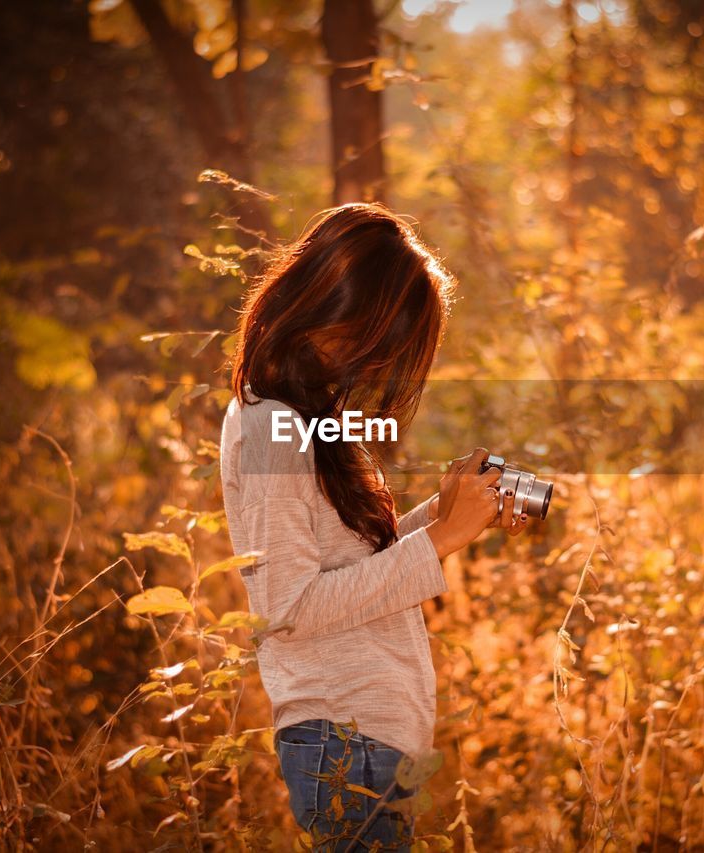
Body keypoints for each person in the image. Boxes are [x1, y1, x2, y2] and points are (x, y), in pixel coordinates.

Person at [219, 202, 529, 850]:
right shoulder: (274, 425)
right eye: (384, 340)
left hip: (364, 735)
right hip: (342, 736)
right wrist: (442, 539)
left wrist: (445, 515)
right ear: (341, 314)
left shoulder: (305, 417)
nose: (384, 361)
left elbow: (346, 569)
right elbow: (288, 607)